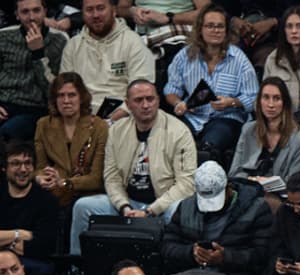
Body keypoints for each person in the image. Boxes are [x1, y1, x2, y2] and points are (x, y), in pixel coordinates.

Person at [68, 79, 197, 257]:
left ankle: (178, 267)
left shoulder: (179, 131)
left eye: (150, 99)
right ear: (128, 104)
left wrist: (150, 211)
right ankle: (77, 268)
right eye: (138, 100)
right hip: (128, 202)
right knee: (83, 207)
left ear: (158, 100)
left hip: (163, 203)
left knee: (179, 210)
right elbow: (112, 177)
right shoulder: (116, 131)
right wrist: (124, 207)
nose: (145, 105)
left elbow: (186, 184)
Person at [147, 161, 271, 275]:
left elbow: (262, 255)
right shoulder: (186, 206)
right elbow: (167, 246)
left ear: (228, 187)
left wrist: (225, 257)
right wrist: (191, 252)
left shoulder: (256, 209)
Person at [163, 4, 259, 166]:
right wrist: (178, 103)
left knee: (209, 148)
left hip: (226, 118)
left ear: (226, 31)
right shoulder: (185, 56)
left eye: (220, 26)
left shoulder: (239, 59)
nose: (215, 30)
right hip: (192, 117)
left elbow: (253, 96)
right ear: (200, 29)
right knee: (172, 140)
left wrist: (232, 102)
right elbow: (171, 89)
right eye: (210, 26)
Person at [59, 0, 155, 122]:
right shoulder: (73, 45)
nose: (95, 15)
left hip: (122, 118)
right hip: (80, 119)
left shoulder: (133, 43)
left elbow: (142, 92)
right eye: (89, 10)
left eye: (100, 8)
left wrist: (109, 122)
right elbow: (64, 90)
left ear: (114, 10)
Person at [228, 78, 300, 212]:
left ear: (284, 103)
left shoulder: (299, 139)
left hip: (278, 199)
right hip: (247, 191)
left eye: (276, 98)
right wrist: (254, 180)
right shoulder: (248, 130)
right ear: (259, 101)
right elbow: (234, 172)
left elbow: (293, 184)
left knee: (262, 205)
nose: (270, 104)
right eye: (266, 98)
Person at [34, 72, 109, 209]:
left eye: (72, 95)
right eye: (61, 95)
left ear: (81, 97)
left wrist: (64, 182)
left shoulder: (99, 126)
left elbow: (97, 178)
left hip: (86, 193)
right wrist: (40, 178)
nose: (66, 101)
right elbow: (40, 167)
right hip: (53, 191)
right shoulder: (43, 124)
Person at [0, 0, 67, 142]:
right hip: (5, 104)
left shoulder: (59, 40)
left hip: (36, 108)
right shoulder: (4, 37)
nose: (31, 17)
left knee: (9, 131)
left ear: (45, 11)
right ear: (17, 15)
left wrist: (38, 53)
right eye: (25, 12)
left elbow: (53, 90)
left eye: (36, 11)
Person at [0, 142, 59, 275]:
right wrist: (18, 234)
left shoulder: (47, 201)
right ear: (4, 168)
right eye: (16, 163)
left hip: (32, 266)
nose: (23, 169)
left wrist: (5, 241)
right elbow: (31, 241)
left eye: (28, 163)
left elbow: (44, 246)